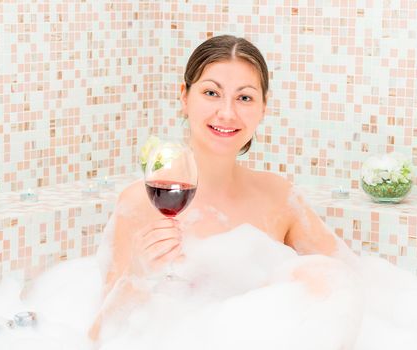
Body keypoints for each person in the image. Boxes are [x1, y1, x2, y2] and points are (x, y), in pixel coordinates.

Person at [88, 35, 359, 344]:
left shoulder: (279, 197)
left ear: (263, 107)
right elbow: (99, 337)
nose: (227, 113)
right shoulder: (141, 203)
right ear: (185, 97)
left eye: (244, 98)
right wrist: (138, 274)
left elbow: (348, 283)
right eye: (211, 93)